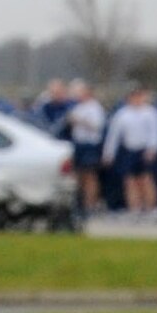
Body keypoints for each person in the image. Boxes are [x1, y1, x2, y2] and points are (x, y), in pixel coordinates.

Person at [102, 84, 157, 220]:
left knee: (146, 180)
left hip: (145, 150)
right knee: (129, 181)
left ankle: (150, 209)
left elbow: (156, 133)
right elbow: (114, 135)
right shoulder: (122, 114)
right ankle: (134, 209)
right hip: (129, 150)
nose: (136, 99)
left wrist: (152, 149)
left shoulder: (150, 113)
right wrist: (109, 154)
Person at [66, 80, 106, 215]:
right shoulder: (78, 107)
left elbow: (97, 126)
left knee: (90, 176)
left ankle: (90, 205)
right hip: (79, 144)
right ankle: (80, 204)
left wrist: (81, 121)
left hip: (90, 144)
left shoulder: (95, 108)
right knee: (79, 176)